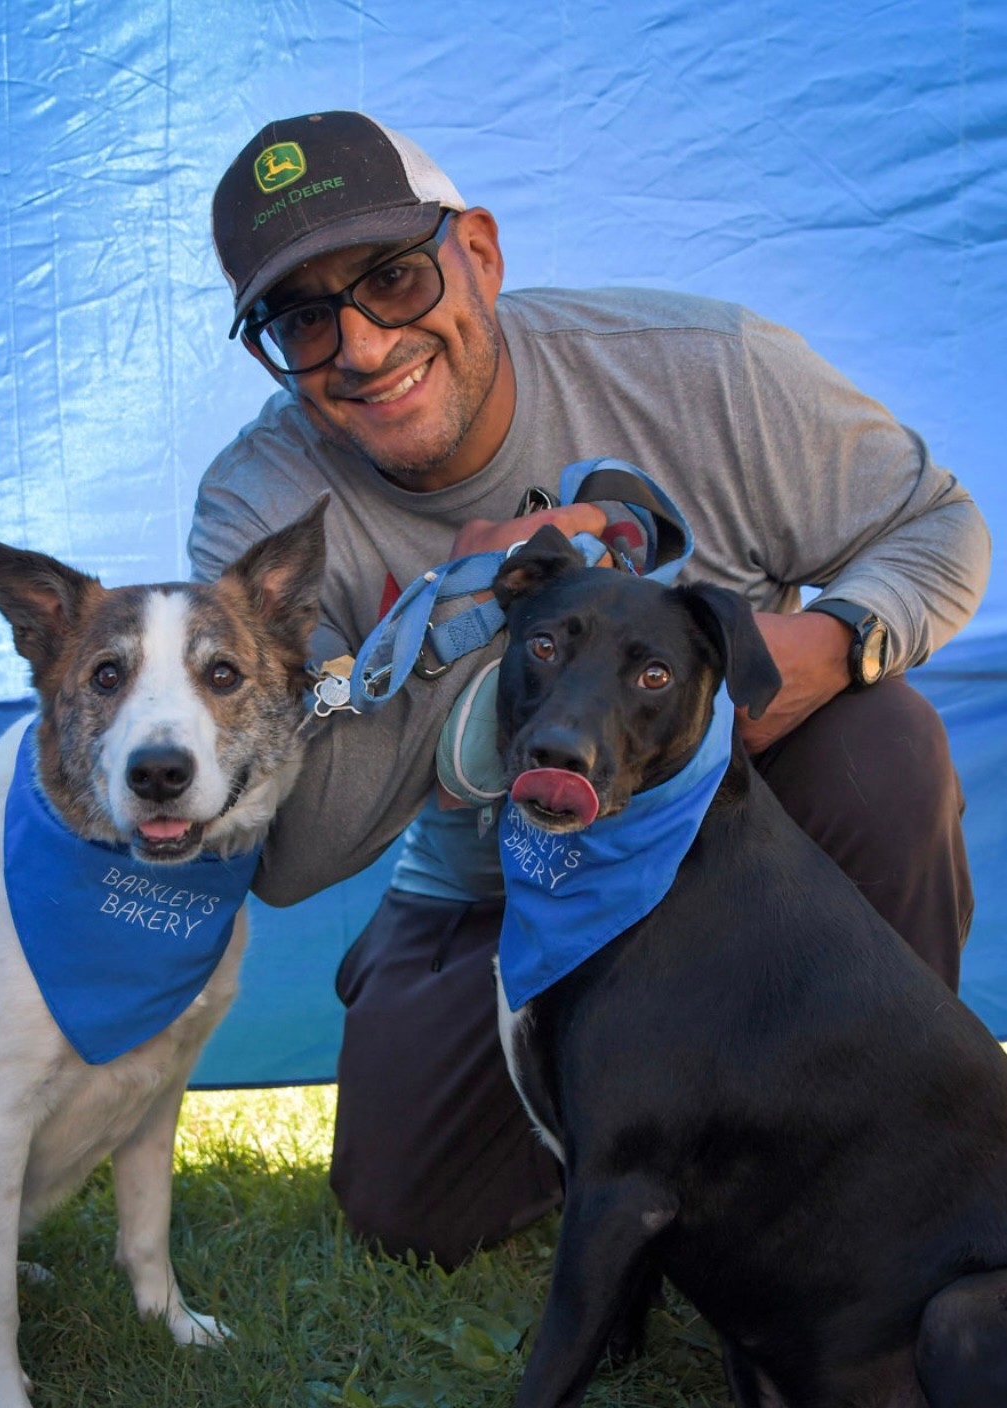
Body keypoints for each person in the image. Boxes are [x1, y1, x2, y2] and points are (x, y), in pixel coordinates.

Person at [189, 110, 990, 1269]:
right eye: (302, 319)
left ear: (479, 252)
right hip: (488, 882)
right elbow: (284, 851)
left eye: (394, 278)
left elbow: (935, 523)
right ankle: (626, 1122)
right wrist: (466, 606)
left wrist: (825, 647)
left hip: (738, 836)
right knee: (408, 1211)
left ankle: (878, 1152)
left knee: (886, 751)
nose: (361, 346)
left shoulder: (700, 367)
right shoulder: (259, 514)